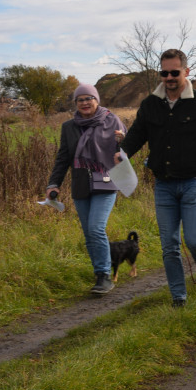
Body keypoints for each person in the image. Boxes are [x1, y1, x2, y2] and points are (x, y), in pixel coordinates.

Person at [116, 49, 196, 308]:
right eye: (164, 73)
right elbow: (137, 134)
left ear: (186, 72)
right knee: (169, 246)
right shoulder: (150, 104)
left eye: (174, 72)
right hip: (163, 184)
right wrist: (122, 154)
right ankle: (179, 298)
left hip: (192, 182)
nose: (169, 78)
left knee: (194, 239)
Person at [47, 84, 126, 295]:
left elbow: (124, 152)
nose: (84, 103)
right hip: (81, 184)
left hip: (107, 181)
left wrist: (123, 143)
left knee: (95, 228)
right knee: (89, 233)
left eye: (88, 98)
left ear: (96, 100)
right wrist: (53, 183)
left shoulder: (112, 120)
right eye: (80, 99)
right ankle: (99, 274)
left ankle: (104, 276)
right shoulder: (69, 127)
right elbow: (63, 158)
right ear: (75, 103)